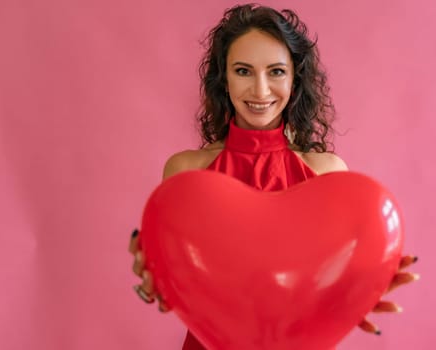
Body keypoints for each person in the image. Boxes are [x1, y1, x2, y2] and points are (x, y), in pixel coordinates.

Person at [129, 4, 419, 349]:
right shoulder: (186, 174)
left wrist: (359, 289)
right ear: (224, 78)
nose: (261, 90)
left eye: (277, 71)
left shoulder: (327, 174)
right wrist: (158, 280)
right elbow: (181, 278)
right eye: (243, 71)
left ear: (295, 78)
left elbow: (328, 282)